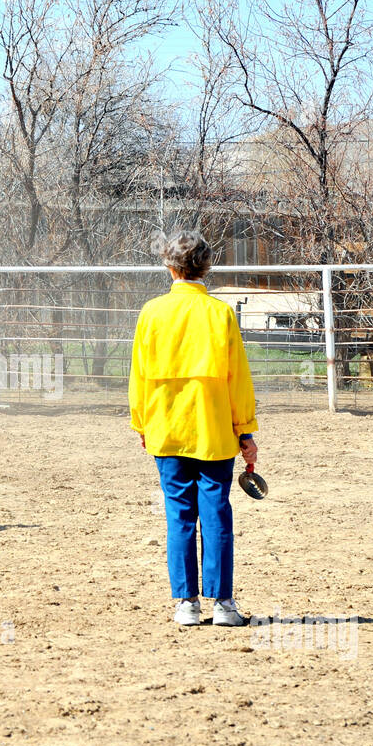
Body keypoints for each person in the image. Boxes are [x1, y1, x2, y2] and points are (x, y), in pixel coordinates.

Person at [129, 231, 259, 627]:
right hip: (214, 432)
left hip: (166, 430)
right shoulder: (220, 314)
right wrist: (246, 432)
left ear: (170, 268)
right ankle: (222, 603)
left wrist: (141, 422)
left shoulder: (152, 312)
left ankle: (186, 603)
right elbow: (238, 379)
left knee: (178, 516)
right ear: (205, 267)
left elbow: (139, 376)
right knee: (217, 514)